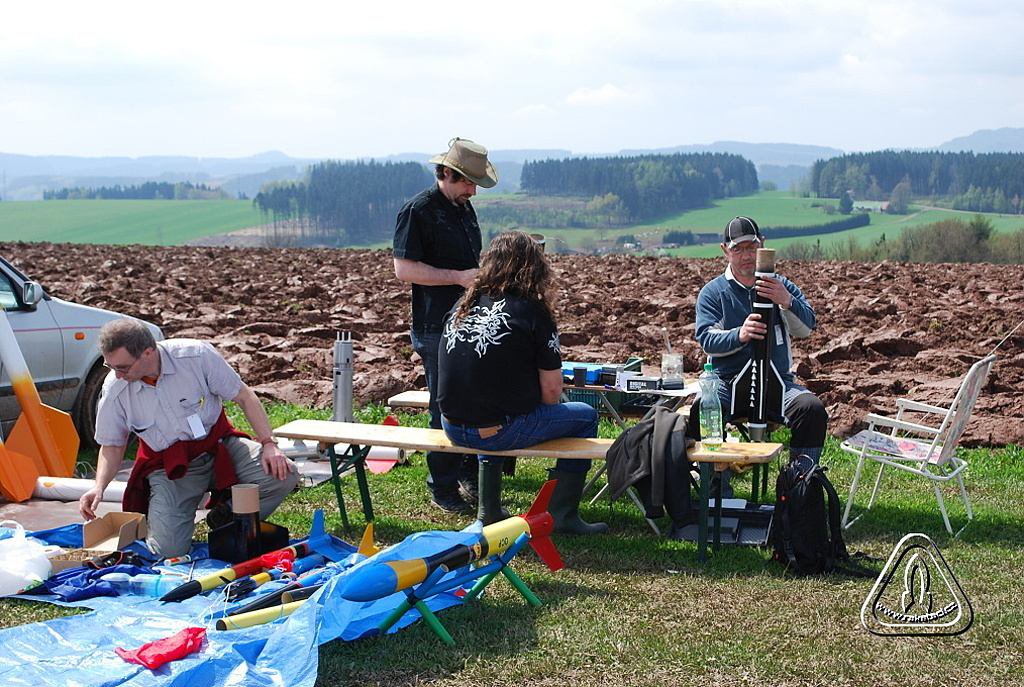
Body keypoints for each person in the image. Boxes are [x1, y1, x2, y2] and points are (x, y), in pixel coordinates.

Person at [78, 319, 298, 558]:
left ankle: (226, 519)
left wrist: (269, 444)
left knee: (283, 473)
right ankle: (179, 519)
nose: (117, 375)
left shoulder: (196, 356)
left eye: (123, 367)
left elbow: (244, 397)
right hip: (171, 467)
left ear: (148, 353)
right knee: (168, 551)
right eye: (111, 367)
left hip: (218, 446)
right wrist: (98, 488)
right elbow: (112, 446)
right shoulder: (115, 390)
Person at [437, 231, 607, 534]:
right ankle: (561, 514)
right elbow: (553, 392)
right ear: (535, 267)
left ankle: (488, 512)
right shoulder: (532, 310)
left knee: (488, 406)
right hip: (492, 433)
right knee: (585, 416)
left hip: (451, 425)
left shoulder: (461, 306)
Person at [393, 137, 498, 514]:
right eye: (469, 182)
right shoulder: (418, 211)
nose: (473, 190)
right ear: (449, 175)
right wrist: (458, 276)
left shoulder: (463, 208)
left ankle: (469, 471)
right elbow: (404, 269)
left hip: (470, 322)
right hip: (435, 326)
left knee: (477, 399)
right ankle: (442, 485)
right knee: (445, 404)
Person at [688, 216, 828, 490]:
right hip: (727, 381)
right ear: (725, 250)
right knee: (701, 410)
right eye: (738, 249)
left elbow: (807, 327)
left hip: (778, 382)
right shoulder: (714, 293)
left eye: (752, 247)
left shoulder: (780, 285)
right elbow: (706, 339)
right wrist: (740, 334)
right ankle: (715, 486)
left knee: (811, 410)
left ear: (762, 246)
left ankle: (799, 487)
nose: (746, 256)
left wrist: (786, 301)